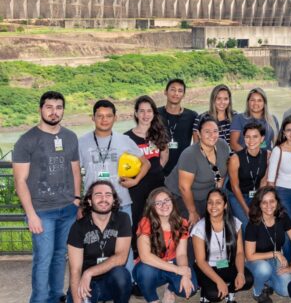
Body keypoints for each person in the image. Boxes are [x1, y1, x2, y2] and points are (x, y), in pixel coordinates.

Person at [13, 91, 81, 303]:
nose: (54, 112)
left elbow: (75, 170)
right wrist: (31, 214)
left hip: (67, 208)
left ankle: (54, 298)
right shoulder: (27, 140)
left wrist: (76, 199)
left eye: (59, 107)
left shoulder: (70, 137)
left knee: (60, 256)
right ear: (40, 109)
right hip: (41, 211)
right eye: (49, 107)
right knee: (43, 258)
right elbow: (20, 181)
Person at [79, 100, 149, 278]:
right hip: (93, 205)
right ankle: (96, 282)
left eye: (108, 116)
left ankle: (128, 282)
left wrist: (135, 181)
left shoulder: (124, 140)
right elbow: (73, 171)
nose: (104, 120)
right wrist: (79, 200)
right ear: (93, 118)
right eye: (100, 116)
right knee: (93, 245)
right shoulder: (81, 142)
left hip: (121, 202)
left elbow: (146, 163)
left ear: (115, 118)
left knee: (124, 246)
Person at [63, 181, 133, 303]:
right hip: (85, 286)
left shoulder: (122, 219)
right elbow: (75, 270)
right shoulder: (78, 228)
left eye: (108, 195)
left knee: (122, 275)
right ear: (89, 200)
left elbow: (121, 257)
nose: (104, 199)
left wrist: (89, 272)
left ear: (114, 200)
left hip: (110, 280)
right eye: (98, 195)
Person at [132, 188, 195, 303]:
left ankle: (169, 289)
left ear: (172, 202)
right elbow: (145, 256)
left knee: (189, 289)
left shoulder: (182, 222)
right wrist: (177, 270)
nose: (164, 205)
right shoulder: (146, 222)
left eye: (167, 200)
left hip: (172, 262)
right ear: (152, 207)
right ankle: (152, 301)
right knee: (145, 271)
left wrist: (184, 273)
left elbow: (181, 254)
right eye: (158, 203)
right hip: (151, 266)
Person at [191, 189, 254, 303]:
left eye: (218, 202)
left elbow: (240, 253)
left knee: (248, 280)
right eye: (210, 202)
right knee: (214, 295)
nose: (213, 206)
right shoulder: (199, 228)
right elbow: (201, 261)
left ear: (225, 205)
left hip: (226, 263)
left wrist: (240, 273)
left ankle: (230, 291)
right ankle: (205, 291)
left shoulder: (235, 223)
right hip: (207, 266)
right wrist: (219, 281)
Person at [166, 117, 231, 227]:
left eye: (215, 131)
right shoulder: (190, 154)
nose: (212, 135)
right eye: (207, 132)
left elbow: (221, 175)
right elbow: (184, 187)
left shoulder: (222, 145)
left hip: (206, 196)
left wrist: (217, 198)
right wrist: (192, 212)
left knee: (223, 219)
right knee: (193, 226)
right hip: (181, 196)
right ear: (199, 134)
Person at [124, 95, 169, 250]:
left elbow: (164, 156)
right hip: (136, 188)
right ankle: (137, 253)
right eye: (142, 111)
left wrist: (156, 170)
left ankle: (158, 251)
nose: (145, 115)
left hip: (157, 185)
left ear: (154, 113)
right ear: (136, 113)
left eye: (149, 111)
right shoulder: (127, 137)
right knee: (137, 221)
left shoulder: (159, 133)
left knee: (158, 220)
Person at [244, 188, 291, 303]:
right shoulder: (253, 223)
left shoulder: (282, 217)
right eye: (264, 202)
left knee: (286, 290)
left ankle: (268, 282)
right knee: (264, 269)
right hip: (256, 261)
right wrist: (275, 254)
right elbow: (250, 256)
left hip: (275, 259)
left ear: (277, 202)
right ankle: (258, 291)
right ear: (259, 205)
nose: (268, 205)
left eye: (272, 201)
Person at [227, 122, 269, 229]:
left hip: (256, 194)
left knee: (263, 222)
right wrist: (246, 210)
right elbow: (235, 187)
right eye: (247, 137)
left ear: (262, 138)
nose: (251, 140)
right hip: (237, 195)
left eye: (255, 137)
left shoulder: (268, 155)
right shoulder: (235, 159)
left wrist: (258, 203)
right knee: (247, 225)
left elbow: (264, 181)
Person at [158, 79, 197, 176]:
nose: (176, 93)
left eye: (180, 91)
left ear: (183, 95)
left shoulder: (192, 116)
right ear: (165, 92)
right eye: (173, 89)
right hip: (159, 168)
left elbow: (197, 143)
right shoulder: (155, 114)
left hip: (183, 169)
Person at [230, 87, 279, 152]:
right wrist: (248, 156)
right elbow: (233, 144)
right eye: (252, 100)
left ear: (264, 103)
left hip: (267, 157)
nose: (256, 103)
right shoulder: (238, 118)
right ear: (248, 102)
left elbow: (277, 144)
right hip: (244, 157)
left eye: (259, 100)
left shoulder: (272, 120)